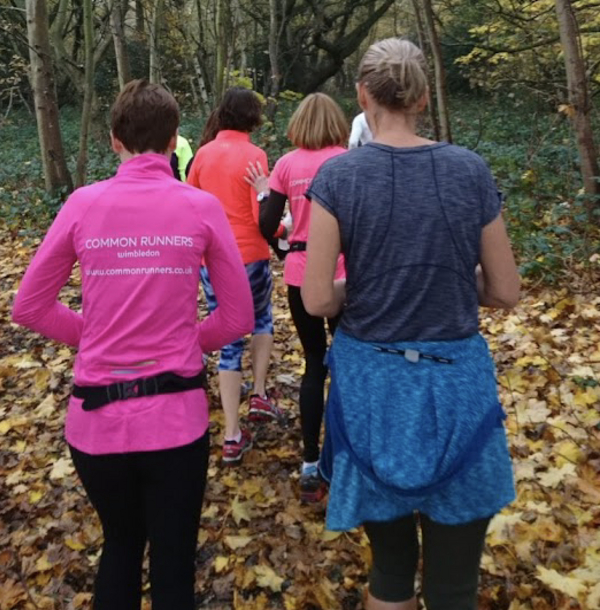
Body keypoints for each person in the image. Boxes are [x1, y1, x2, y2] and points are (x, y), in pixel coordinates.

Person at [12, 79, 253, 610]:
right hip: (177, 420)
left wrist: (95, 338)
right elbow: (238, 316)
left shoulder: (83, 203)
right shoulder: (200, 207)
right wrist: (189, 343)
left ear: (114, 140)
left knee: (119, 548)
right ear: (174, 142)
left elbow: (29, 306)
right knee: (172, 566)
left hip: (95, 423)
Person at [302, 39, 520, 610]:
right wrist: (447, 277)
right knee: (455, 587)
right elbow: (505, 290)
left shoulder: (339, 178)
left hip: (372, 388)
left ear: (362, 96)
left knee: (390, 574)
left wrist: (368, 285)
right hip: (457, 388)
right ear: (423, 96)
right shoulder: (469, 170)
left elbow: (318, 298)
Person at [244, 93, 348, 502]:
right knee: (348, 363)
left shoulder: (287, 164)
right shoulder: (348, 160)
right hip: (345, 273)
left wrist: (264, 196)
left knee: (313, 364)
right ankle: (345, 455)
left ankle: (309, 462)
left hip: (302, 274)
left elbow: (268, 224)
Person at [187, 87, 281, 465]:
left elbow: (189, 203)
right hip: (252, 254)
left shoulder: (203, 155)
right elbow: (264, 213)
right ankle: (257, 391)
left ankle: (230, 434)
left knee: (228, 339)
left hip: (214, 260)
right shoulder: (256, 155)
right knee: (261, 319)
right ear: (252, 118)